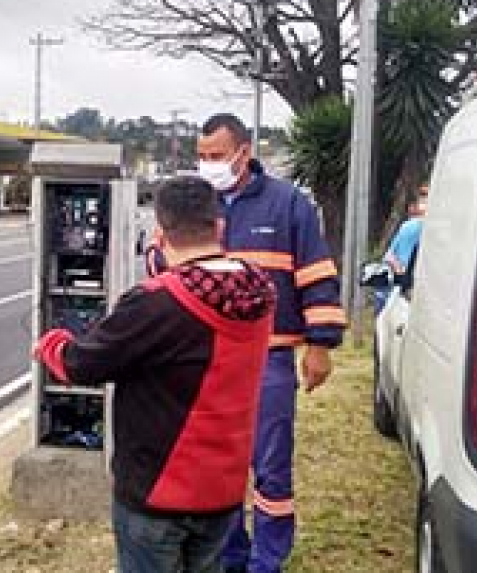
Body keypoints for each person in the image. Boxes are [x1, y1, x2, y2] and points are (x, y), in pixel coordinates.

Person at [33, 175, 276, 573]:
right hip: (224, 488)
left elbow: (82, 364)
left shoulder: (156, 302)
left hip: (158, 493)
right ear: (219, 227)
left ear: (160, 234)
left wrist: (51, 344)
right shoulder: (259, 292)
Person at [192, 114, 346, 573]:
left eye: (216, 156)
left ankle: (267, 561)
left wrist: (320, 345)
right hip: (210, 358)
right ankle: (232, 555)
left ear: (244, 152)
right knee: (220, 467)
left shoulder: (287, 204)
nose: (207, 165)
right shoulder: (199, 204)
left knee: (271, 465)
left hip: (269, 358)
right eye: (201, 157)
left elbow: (316, 274)